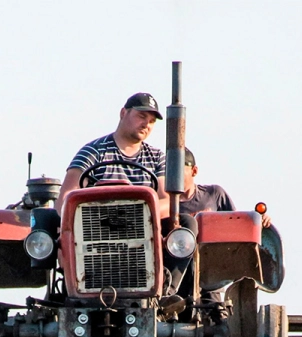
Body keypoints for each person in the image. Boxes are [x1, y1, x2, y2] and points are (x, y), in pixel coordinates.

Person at [56, 93, 197, 302]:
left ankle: (165, 291)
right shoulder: (93, 152)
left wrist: (136, 216)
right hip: (96, 227)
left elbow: (167, 200)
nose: (146, 125)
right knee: (48, 223)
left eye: (151, 122)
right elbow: (66, 197)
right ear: (123, 113)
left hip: (144, 228)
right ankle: (74, 287)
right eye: (141, 116)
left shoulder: (157, 157)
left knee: (187, 223)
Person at [177, 148, 271, 228]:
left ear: (194, 171)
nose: (174, 174)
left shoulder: (214, 194)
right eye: (170, 169)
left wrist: (258, 218)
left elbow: (236, 223)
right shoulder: (165, 204)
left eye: (179, 169)